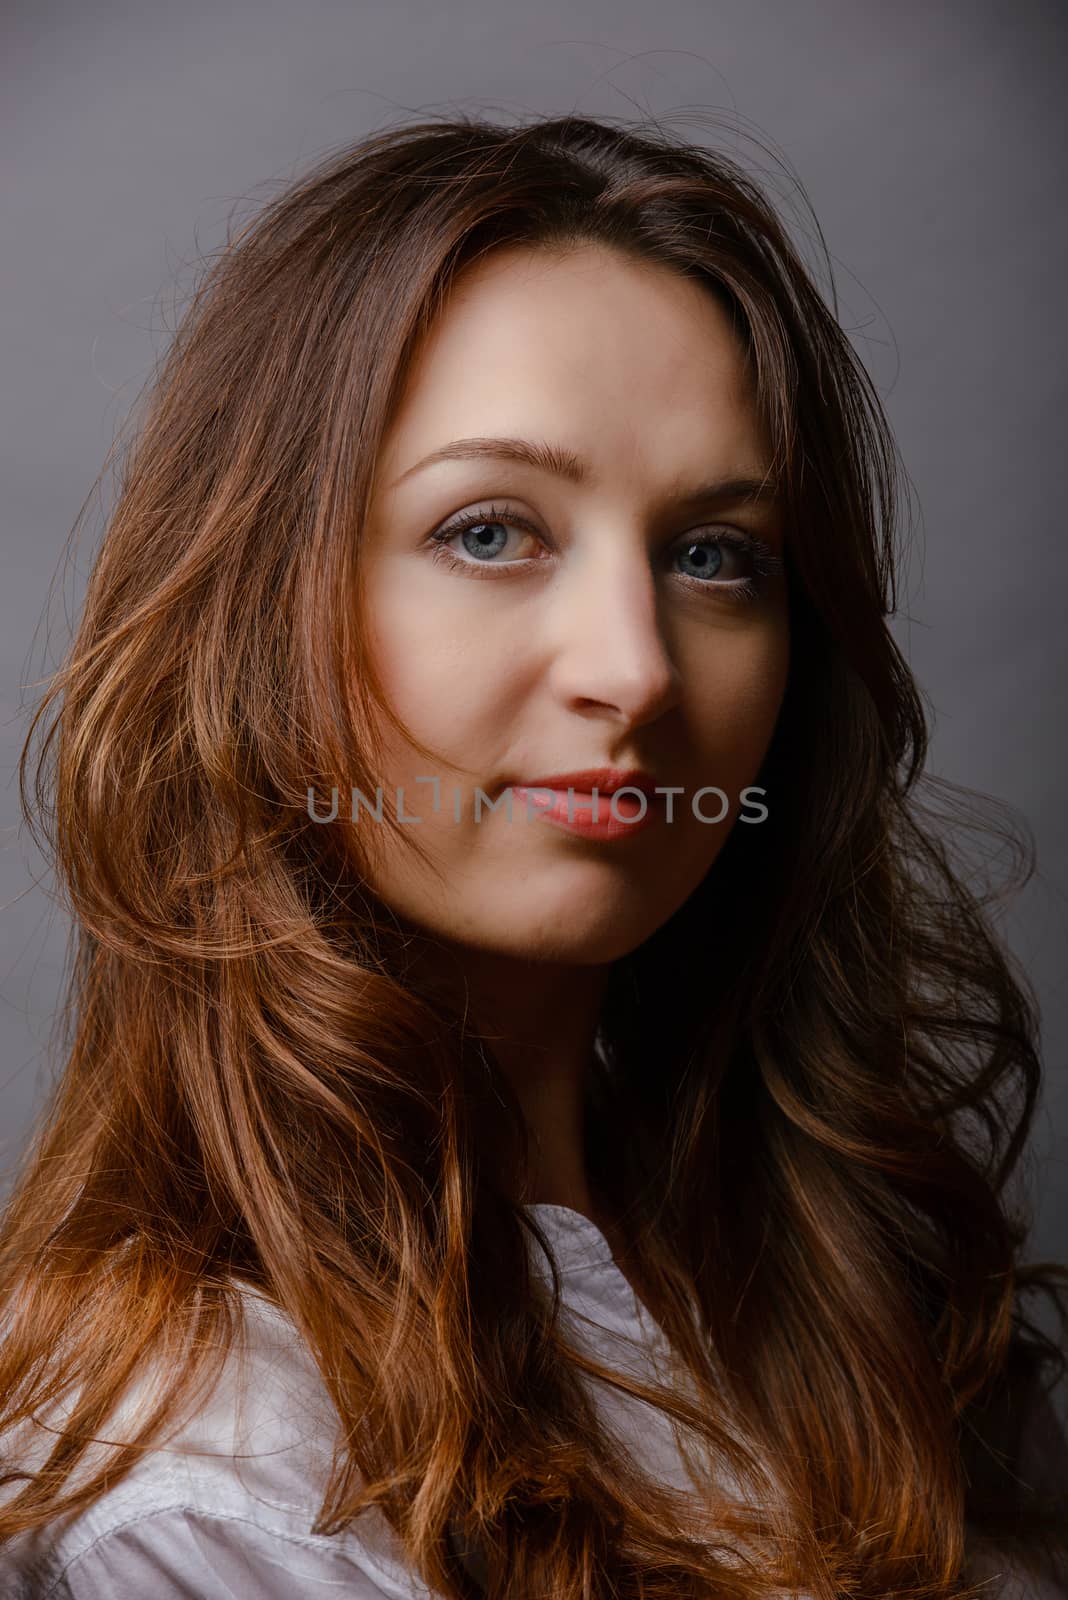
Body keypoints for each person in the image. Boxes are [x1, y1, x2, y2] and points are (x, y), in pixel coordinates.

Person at [0, 110, 1065, 1599]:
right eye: (492, 532)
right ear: (259, 621)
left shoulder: (853, 1295)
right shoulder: (214, 1483)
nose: (634, 669)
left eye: (715, 555)